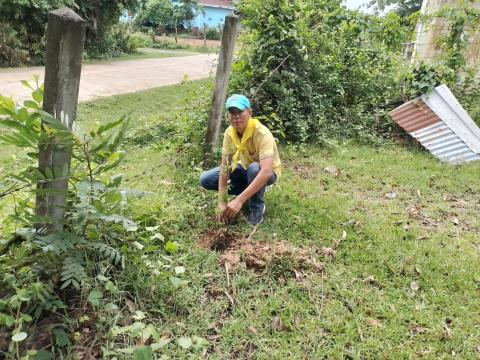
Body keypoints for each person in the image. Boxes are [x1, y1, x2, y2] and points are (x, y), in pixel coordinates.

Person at [199, 94, 281, 225]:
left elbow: (266, 171)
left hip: (267, 173)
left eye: (240, 112)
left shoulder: (262, 133)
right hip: (244, 168)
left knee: (255, 168)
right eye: (232, 113)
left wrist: (239, 200)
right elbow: (225, 169)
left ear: (249, 112)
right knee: (206, 179)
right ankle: (252, 190)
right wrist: (222, 201)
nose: (236, 117)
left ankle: (257, 209)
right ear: (228, 116)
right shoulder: (229, 133)